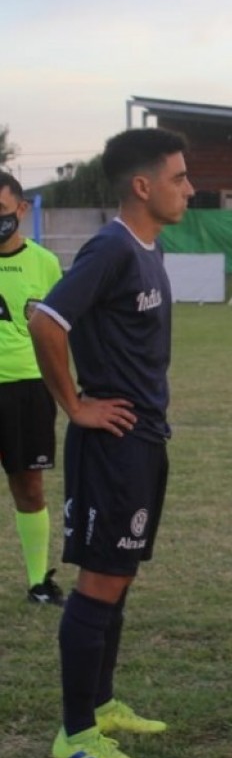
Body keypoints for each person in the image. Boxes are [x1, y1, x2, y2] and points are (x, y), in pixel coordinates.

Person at [28, 128, 194, 758]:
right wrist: (76, 405)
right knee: (98, 582)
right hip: (112, 446)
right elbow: (46, 319)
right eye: (179, 178)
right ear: (142, 186)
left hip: (145, 440)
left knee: (118, 578)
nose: (189, 187)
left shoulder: (148, 250)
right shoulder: (111, 248)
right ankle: (74, 733)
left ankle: (100, 705)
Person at [0, 173, 65, 605]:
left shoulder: (45, 263)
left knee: (30, 487)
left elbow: (58, 333)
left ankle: (39, 582)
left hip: (27, 388)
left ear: (21, 210)